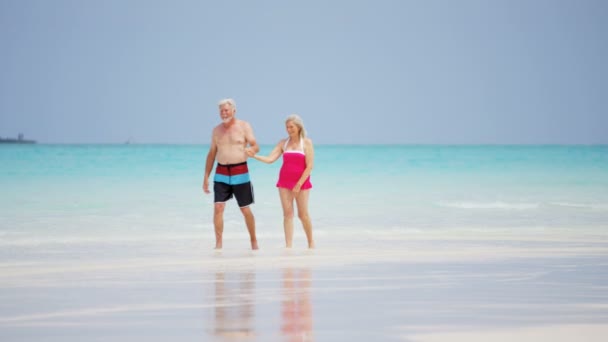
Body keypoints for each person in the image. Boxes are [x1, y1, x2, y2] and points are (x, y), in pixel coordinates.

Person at [247, 114, 314, 249]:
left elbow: (310, 166)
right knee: (287, 214)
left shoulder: (306, 142)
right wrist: (254, 156)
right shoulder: (283, 143)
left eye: (291, 127)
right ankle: (288, 246)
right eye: (287, 127)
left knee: (303, 214)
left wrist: (299, 183)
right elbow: (270, 159)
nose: (289, 129)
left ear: (299, 127)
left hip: (301, 183)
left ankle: (311, 242)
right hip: (284, 182)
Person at [203, 98, 260, 250]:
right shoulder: (216, 130)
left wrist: (252, 150)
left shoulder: (244, 126)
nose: (223, 113)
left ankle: (253, 241)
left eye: (226, 110)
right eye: (221, 110)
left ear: (234, 110)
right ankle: (218, 244)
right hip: (221, 171)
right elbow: (211, 154)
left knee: (245, 209)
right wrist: (206, 177)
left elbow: (255, 145)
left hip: (240, 170)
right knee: (218, 207)